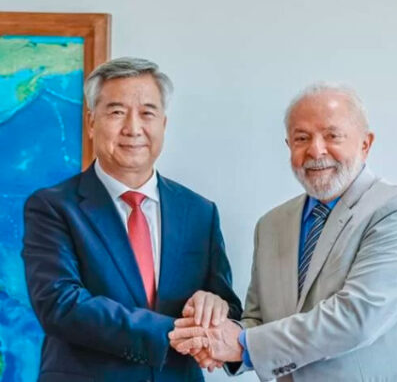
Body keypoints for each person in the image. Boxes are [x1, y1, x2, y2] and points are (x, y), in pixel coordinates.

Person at [169, 83, 397, 381]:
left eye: (332, 136)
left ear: (365, 144)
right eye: (302, 138)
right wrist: (214, 330)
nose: (316, 150)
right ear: (289, 146)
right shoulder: (271, 225)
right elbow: (259, 320)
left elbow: (356, 317)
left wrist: (240, 344)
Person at [22, 57, 242, 381]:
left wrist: (215, 307)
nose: (133, 128)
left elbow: (228, 307)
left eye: (147, 113)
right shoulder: (53, 207)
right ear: (91, 122)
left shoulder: (199, 211)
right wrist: (172, 332)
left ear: (163, 124)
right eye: (116, 112)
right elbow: (60, 304)